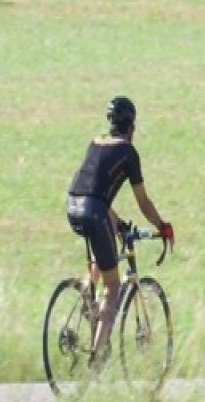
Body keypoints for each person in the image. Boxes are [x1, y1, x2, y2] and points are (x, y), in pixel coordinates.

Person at [65, 96, 174, 366]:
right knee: (113, 286)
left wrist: (119, 221)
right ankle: (97, 356)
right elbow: (144, 203)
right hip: (93, 211)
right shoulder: (128, 153)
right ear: (131, 127)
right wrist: (162, 226)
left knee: (102, 260)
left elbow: (93, 192)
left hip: (72, 205)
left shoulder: (96, 141)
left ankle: (87, 304)